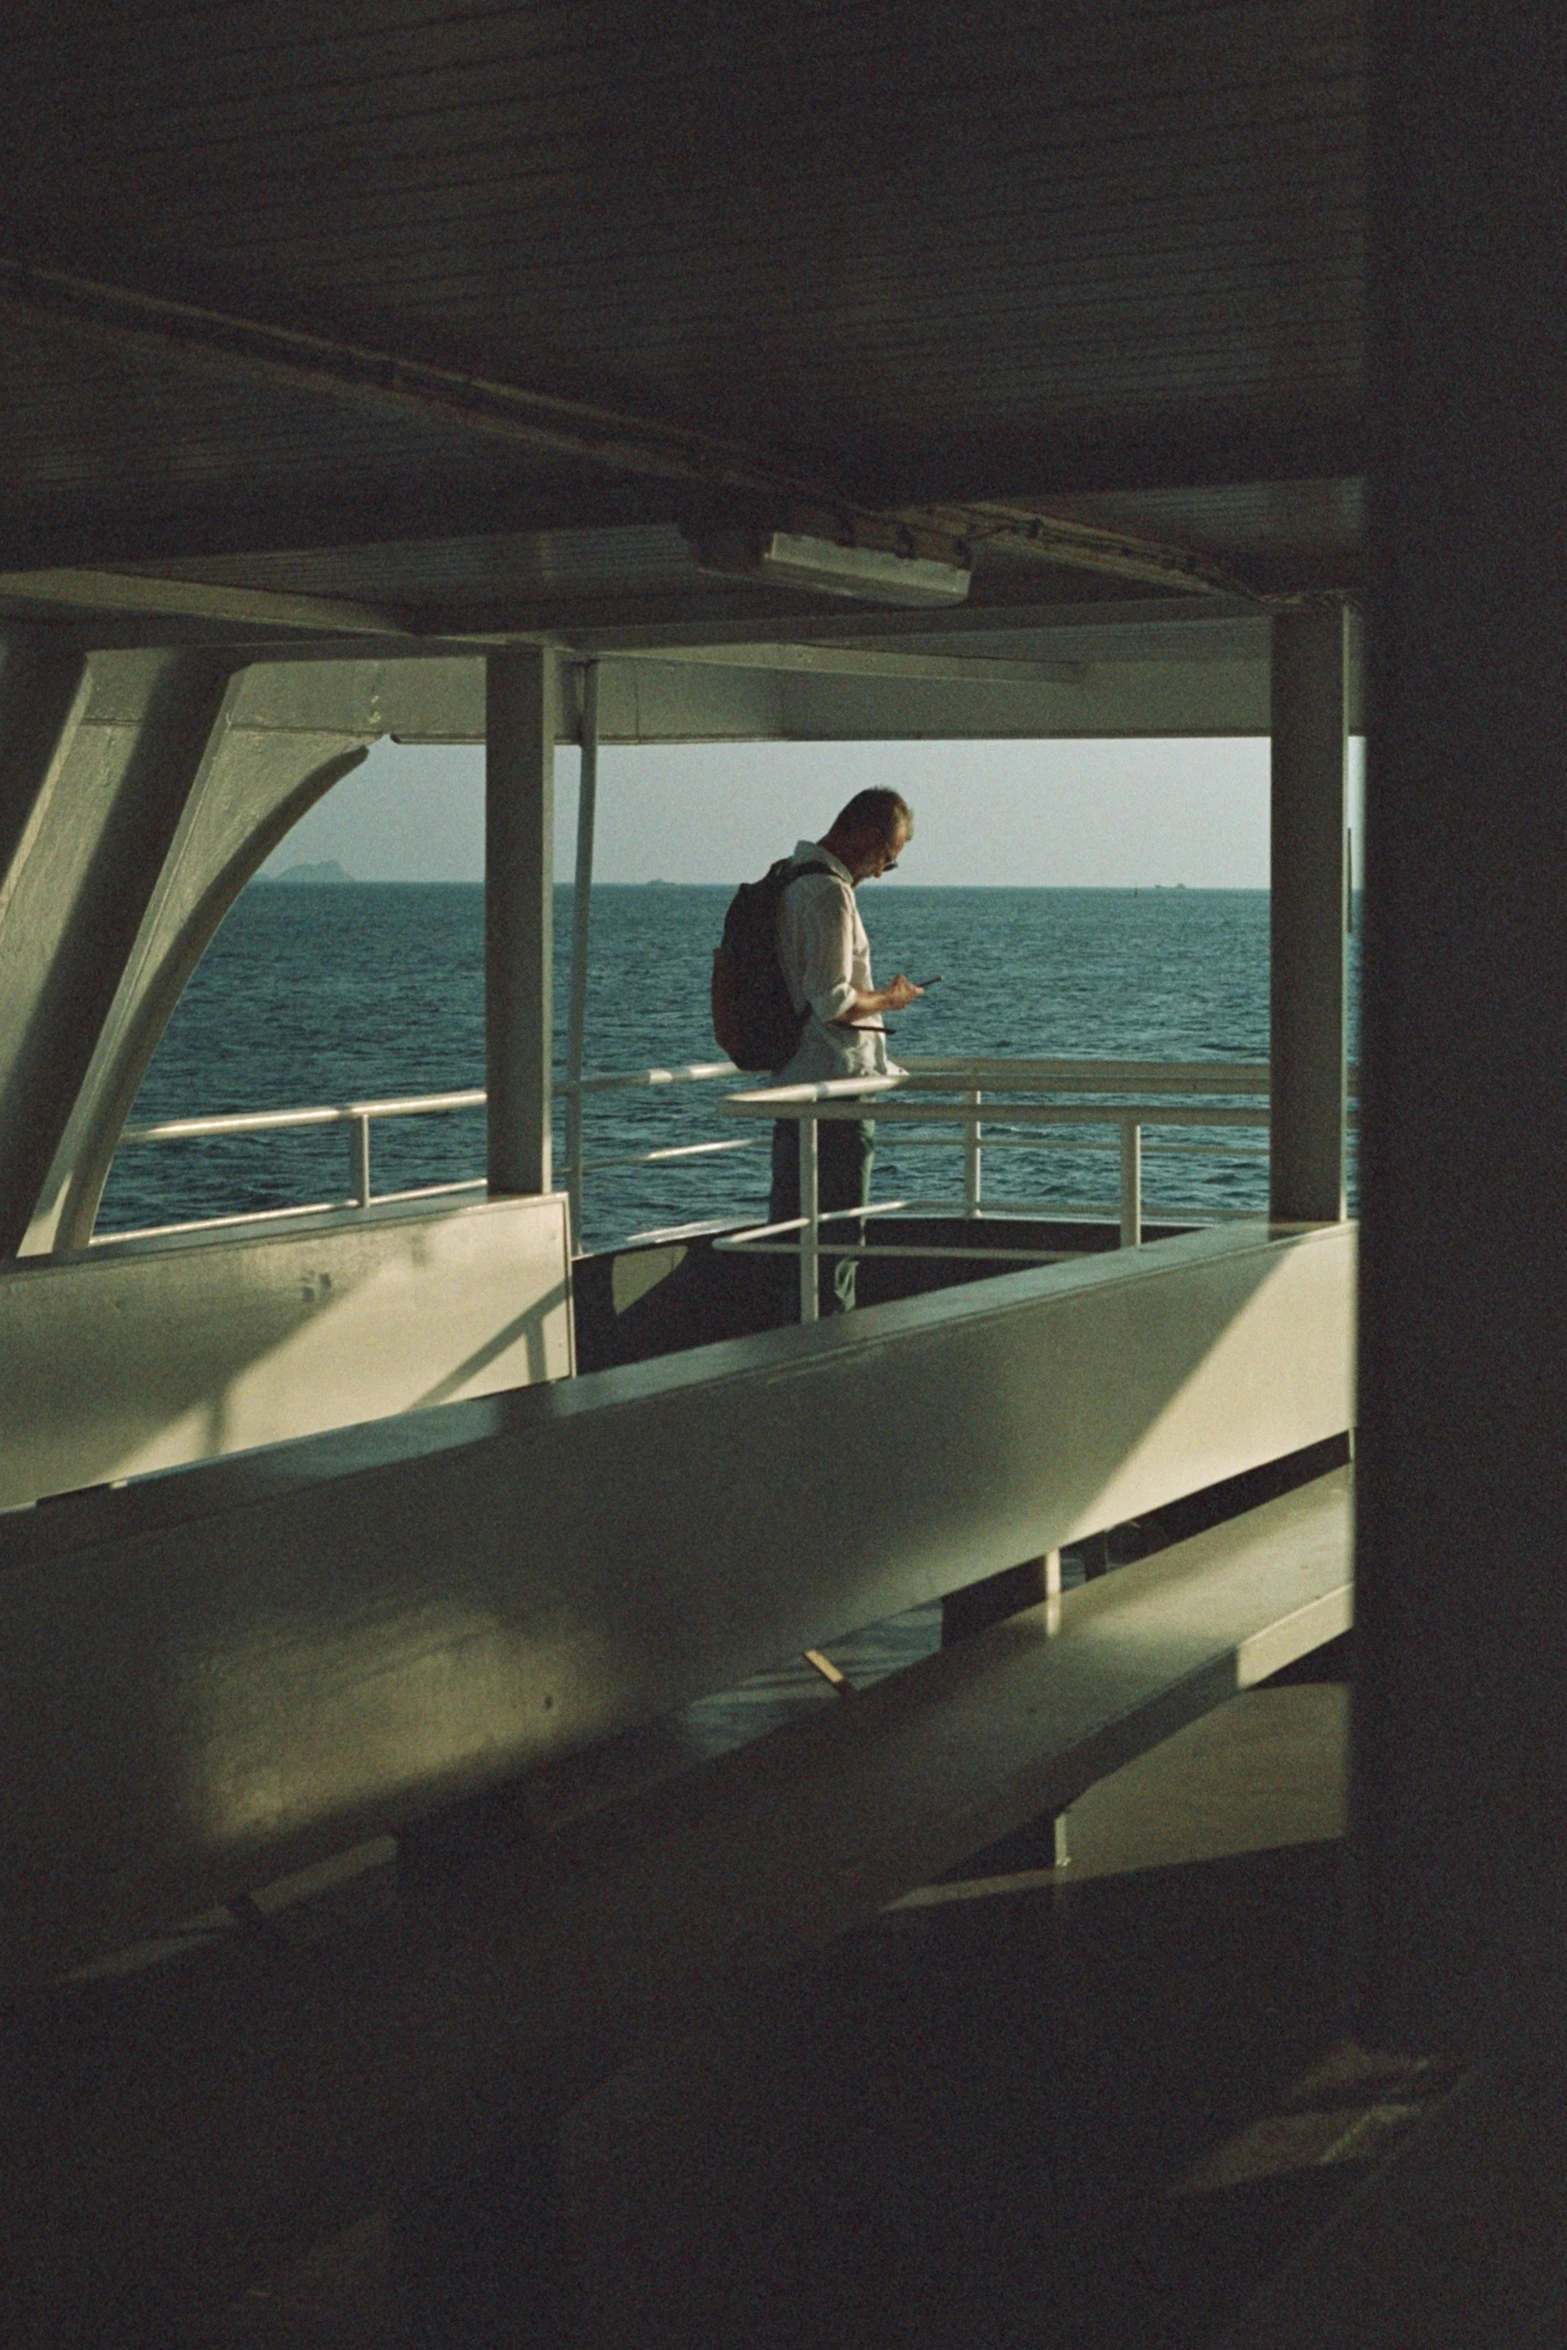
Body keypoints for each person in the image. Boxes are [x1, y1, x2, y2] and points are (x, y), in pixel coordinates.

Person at [769, 788, 922, 1312]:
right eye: (887, 858)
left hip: (797, 1080)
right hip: (835, 1089)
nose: (880, 872)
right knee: (837, 1237)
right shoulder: (829, 893)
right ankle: (829, 1347)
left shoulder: (792, 879)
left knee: (795, 1231)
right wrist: (891, 998)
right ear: (867, 835)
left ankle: (794, 1339)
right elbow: (832, 999)